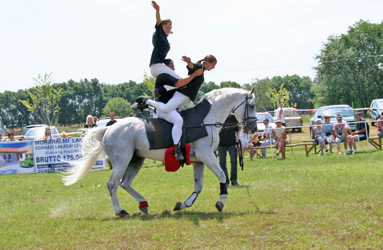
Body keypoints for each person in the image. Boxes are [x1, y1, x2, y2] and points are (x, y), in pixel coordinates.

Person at [134, 55, 216, 160]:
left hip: (185, 97)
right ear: (207, 61)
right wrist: (189, 62)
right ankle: (147, 101)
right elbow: (192, 66)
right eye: (213, 65)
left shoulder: (201, 70)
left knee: (170, 111)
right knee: (175, 118)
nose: (213, 68)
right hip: (182, 95)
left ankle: (150, 105)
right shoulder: (199, 67)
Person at [149, 1, 180, 81]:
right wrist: (157, 10)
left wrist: (168, 33)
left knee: (175, 83)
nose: (171, 27)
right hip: (157, 66)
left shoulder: (162, 36)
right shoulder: (159, 33)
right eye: (170, 25)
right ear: (164, 25)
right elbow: (158, 22)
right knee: (180, 81)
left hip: (159, 66)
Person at [217, 114, 240, 186]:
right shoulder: (219, 116)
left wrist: (238, 138)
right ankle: (226, 181)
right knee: (222, 163)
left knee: (234, 162)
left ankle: (234, 180)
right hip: (221, 144)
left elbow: (237, 129)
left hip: (231, 143)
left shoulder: (232, 117)